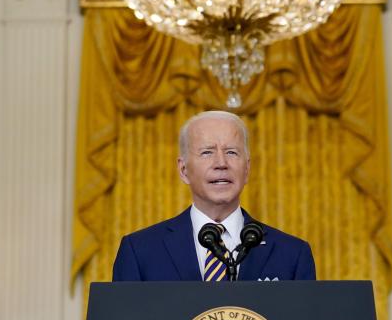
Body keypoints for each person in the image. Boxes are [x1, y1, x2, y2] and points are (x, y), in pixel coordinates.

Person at [112, 110, 316, 281]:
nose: (221, 163)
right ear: (183, 170)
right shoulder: (140, 251)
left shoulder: (292, 254)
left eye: (232, 152)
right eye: (207, 152)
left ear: (247, 169)